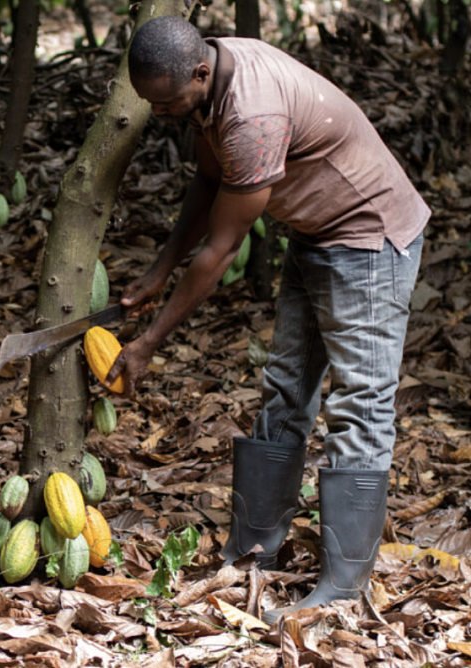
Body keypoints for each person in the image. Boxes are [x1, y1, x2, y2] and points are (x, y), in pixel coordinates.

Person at [110, 16, 429, 624]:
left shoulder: (252, 115)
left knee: (360, 402)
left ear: (198, 74)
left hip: (367, 238)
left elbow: (222, 250)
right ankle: (255, 548)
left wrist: (149, 343)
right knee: (285, 386)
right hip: (316, 232)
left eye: (166, 101)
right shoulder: (212, 77)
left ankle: (342, 586)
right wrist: (157, 271)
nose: (161, 112)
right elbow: (209, 179)